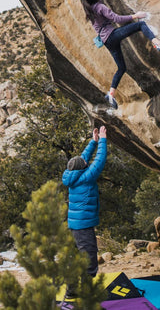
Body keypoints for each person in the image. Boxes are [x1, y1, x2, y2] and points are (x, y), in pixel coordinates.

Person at [82, 0, 160, 109]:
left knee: (122, 68)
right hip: (112, 35)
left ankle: (110, 94)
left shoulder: (89, 5)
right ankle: (157, 43)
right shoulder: (100, 7)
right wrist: (135, 15)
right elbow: (117, 18)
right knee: (140, 25)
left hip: (107, 41)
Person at [62, 125, 107, 298]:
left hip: (74, 225)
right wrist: (102, 140)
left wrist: (93, 142)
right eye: (85, 164)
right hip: (83, 226)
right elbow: (100, 160)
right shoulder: (87, 178)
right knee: (89, 259)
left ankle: (72, 292)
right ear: (83, 168)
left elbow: (82, 159)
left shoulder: (71, 174)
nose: (87, 162)